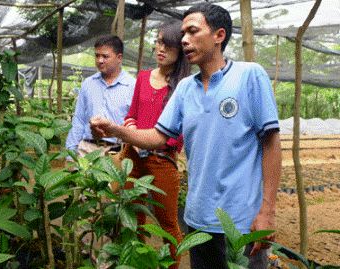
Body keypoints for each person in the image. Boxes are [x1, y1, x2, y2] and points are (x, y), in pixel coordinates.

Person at [89, 3, 282, 269]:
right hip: (197, 220)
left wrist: (267, 212)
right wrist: (115, 130)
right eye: (183, 33)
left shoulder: (249, 75)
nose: (184, 40)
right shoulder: (184, 89)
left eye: (192, 31)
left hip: (241, 222)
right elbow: (158, 137)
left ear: (219, 35)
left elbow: (271, 142)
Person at [122, 21, 192, 269]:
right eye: (158, 42)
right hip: (132, 157)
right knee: (133, 216)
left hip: (162, 161)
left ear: (180, 50)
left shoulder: (185, 86)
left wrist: (151, 141)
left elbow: (179, 134)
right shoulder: (142, 77)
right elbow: (132, 114)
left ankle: (171, 266)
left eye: (167, 44)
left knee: (168, 222)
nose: (159, 48)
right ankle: (136, 262)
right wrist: (131, 128)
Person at [65, 35, 136, 160]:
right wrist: (69, 155)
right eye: (97, 55)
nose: (100, 60)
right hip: (87, 150)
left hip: (118, 153)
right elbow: (79, 120)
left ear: (119, 57)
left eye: (105, 56)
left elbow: (136, 124)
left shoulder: (132, 86)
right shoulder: (88, 84)